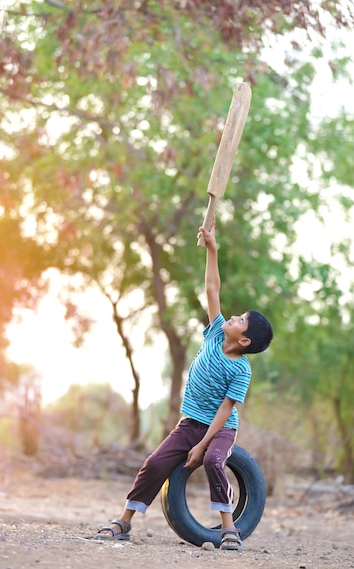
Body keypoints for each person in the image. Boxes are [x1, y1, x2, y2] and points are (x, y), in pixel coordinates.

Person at [96, 219, 273, 550]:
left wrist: (203, 444)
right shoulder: (216, 331)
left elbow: (225, 410)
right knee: (154, 464)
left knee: (213, 461)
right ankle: (124, 520)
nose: (233, 317)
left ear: (245, 340)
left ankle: (228, 528)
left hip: (220, 430)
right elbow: (212, 289)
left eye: (241, 320)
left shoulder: (241, 370)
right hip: (190, 424)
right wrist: (213, 250)